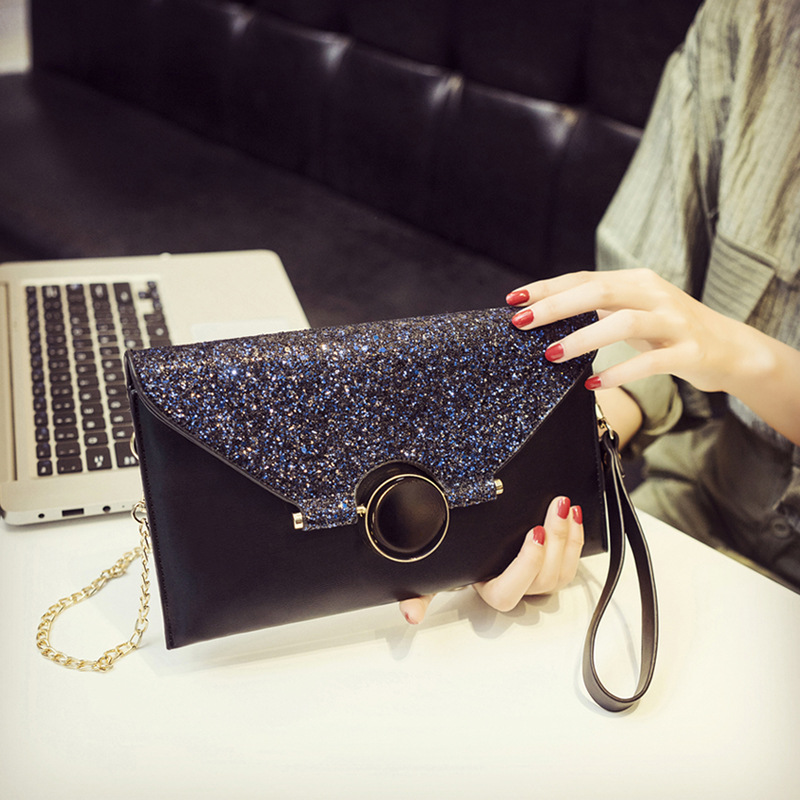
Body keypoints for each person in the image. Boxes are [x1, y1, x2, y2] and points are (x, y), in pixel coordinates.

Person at [400, 0, 800, 624]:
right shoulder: (751, 19)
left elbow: (705, 338)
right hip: (703, 500)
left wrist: (749, 358)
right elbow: (643, 327)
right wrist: (541, 471)